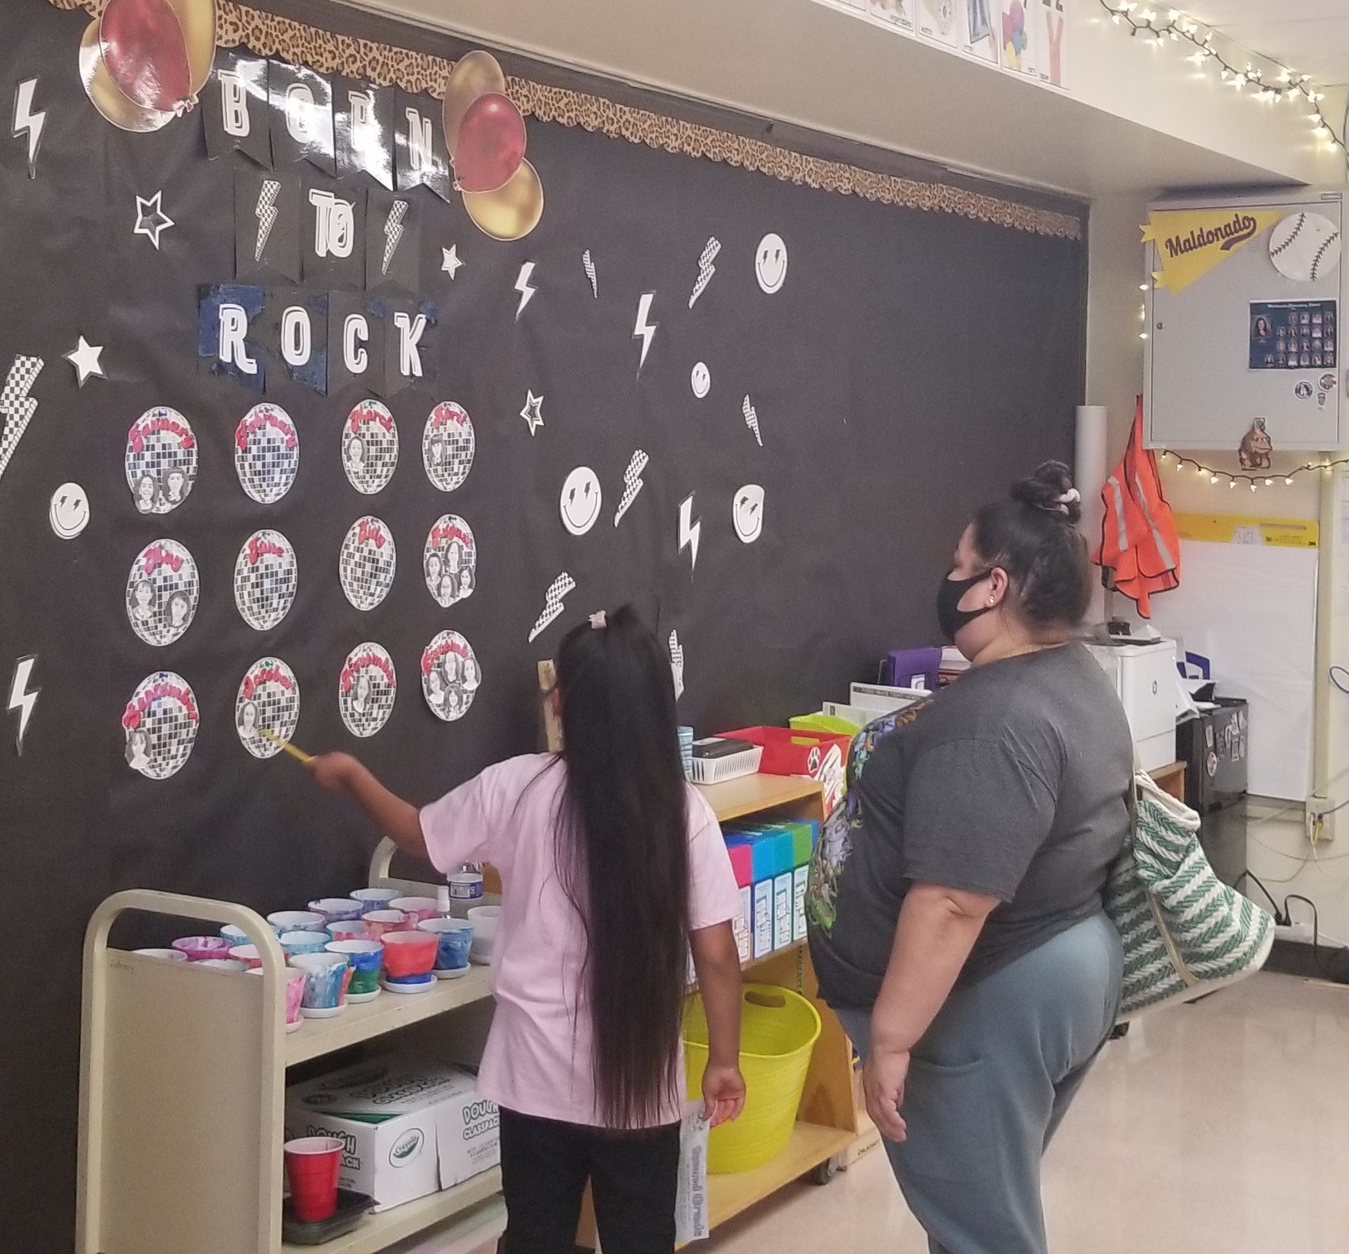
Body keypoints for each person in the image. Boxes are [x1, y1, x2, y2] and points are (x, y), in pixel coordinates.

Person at [305, 606, 747, 1253]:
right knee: (641, 1238)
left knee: (536, 1237)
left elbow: (417, 831)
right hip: (641, 1088)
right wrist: (725, 1061)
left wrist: (351, 776)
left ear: (562, 701)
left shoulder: (516, 787)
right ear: (657, 703)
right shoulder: (685, 813)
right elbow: (715, 953)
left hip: (532, 1080)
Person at [807, 461, 1132, 1254]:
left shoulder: (998, 719)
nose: (946, 578)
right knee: (981, 1207)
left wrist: (889, 1039)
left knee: (983, 1231)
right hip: (1044, 969)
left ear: (993, 586)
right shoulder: (1068, 675)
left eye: (958, 565)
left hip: (986, 998)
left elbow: (953, 901)